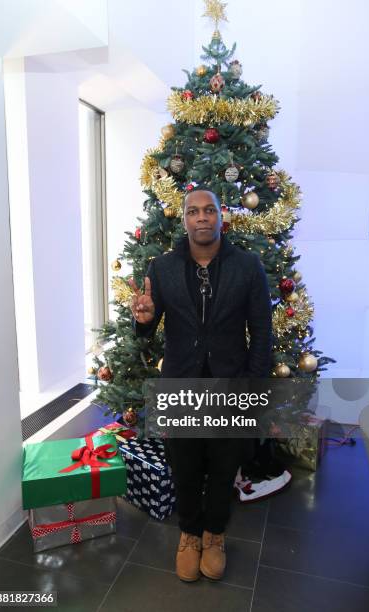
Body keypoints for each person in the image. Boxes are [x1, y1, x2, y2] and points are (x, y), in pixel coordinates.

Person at [130, 188, 272, 582]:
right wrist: (142, 321)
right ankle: (189, 535)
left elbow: (262, 332)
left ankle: (214, 535)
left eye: (210, 210)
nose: (202, 218)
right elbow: (146, 332)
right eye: (194, 212)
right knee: (185, 466)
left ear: (221, 217)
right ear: (184, 220)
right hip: (181, 384)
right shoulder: (162, 269)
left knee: (225, 466)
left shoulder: (248, 266)